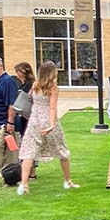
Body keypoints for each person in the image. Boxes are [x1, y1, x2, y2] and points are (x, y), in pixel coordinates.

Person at [17, 60, 80, 195]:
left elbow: (31, 101)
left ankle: (24, 184)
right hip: (47, 120)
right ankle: (68, 181)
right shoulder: (53, 87)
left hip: (34, 121)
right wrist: (51, 124)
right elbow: (52, 107)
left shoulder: (35, 86)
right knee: (62, 151)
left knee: (29, 152)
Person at [13, 62, 38, 179]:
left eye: (18, 71)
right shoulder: (24, 84)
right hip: (24, 117)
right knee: (26, 142)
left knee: (28, 144)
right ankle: (30, 171)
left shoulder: (29, 85)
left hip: (28, 117)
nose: (16, 74)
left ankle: (31, 172)